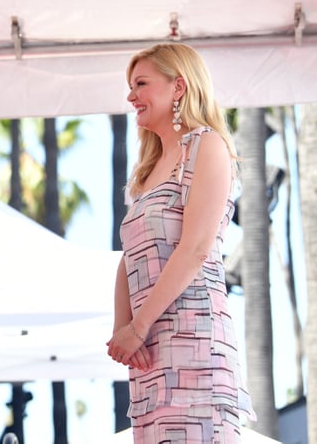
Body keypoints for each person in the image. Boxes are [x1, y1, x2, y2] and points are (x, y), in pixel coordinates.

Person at [106, 43, 255, 443]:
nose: (131, 95)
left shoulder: (206, 146)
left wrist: (137, 328)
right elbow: (129, 258)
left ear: (178, 87)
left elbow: (196, 248)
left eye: (141, 83)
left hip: (194, 344)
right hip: (149, 352)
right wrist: (124, 330)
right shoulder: (146, 173)